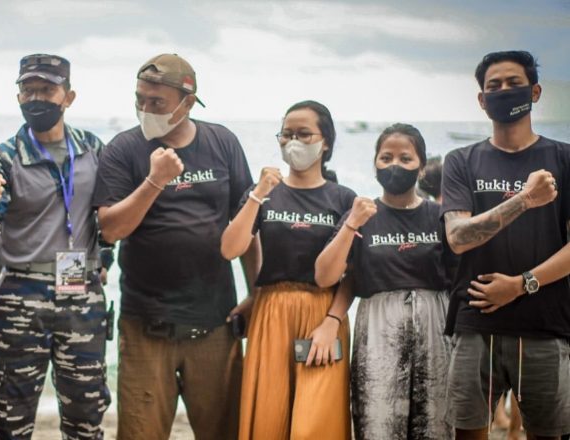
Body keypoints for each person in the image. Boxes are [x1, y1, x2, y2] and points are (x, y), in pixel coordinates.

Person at [93, 53, 256, 440]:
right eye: (139, 99)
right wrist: (155, 180)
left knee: (225, 431)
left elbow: (249, 224)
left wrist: (257, 293)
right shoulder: (123, 149)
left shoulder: (223, 142)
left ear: (187, 100)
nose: (145, 109)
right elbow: (111, 229)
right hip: (147, 325)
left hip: (215, 324)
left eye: (157, 103)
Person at [0, 54, 111, 440]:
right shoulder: (4, 157)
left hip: (81, 288)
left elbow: (106, 218)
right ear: (17, 96)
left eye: (47, 89)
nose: (37, 97)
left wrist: (105, 260)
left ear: (69, 96)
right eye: (28, 89)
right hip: (21, 293)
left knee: (87, 406)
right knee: (10, 412)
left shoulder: (94, 149)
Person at [442, 50, 570, 440]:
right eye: (493, 86)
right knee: (468, 433)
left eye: (513, 83)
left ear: (534, 91)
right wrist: (525, 199)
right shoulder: (461, 160)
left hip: (545, 324)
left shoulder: (564, 159)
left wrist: (521, 284)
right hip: (475, 321)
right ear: (482, 100)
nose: (503, 91)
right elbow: (458, 238)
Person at [221, 100, 354, 439]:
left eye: (304, 133)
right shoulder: (265, 194)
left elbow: (353, 273)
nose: (293, 141)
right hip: (272, 311)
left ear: (325, 142)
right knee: (270, 413)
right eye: (286, 134)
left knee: (317, 417)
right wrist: (257, 195)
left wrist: (332, 321)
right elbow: (230, 248)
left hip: (323, 312)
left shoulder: (342, 199)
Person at [315, 123, 455, 439]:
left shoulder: (440, 216)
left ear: (421, 167)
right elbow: (327, 276)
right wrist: (351, 223)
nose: (394, 165)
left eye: (405, 158)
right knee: (377, 421)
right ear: (375, 164)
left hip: (435, 325)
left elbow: (458, 278)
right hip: (378, 327)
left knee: (435, 424)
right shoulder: (363, 215)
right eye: (386, 157)